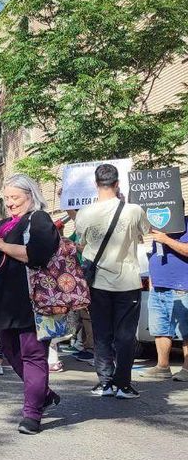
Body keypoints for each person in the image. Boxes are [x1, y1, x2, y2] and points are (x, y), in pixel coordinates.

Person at [0, 174, 60, 434]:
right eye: (7, 199)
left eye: (15, 198)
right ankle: (43, 394)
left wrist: (0, 246)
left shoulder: (39, 219)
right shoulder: (3, 225)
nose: (10, 203)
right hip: (3, 301)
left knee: (33, 355)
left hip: (32, 300)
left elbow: (37, 255)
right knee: (10, 352)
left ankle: (32, 415)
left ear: (30, 195)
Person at [76, 164, 150, 399]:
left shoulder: (84, 213)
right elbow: (144, 232)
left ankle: (105, 382)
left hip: (98, 282)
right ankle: (124, 385)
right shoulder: (134, 210)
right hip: (128, 281)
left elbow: (82, 243)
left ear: (96, 184)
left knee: (102, 334)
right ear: (117, 184)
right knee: (126, 336)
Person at [140, 218, 188, 381]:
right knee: (160, 329)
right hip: (159, 286)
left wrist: (166, 239)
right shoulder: (158, 227)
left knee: (186, 331)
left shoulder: (186, 225)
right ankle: (162, 367)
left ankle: (187, 369)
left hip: (183, 287)